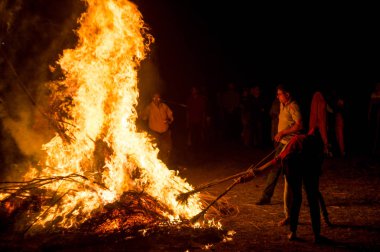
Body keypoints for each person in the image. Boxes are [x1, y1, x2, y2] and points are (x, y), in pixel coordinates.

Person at [240, 128, 330, 243]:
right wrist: (252, 174)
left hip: (293, 163)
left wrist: (255, 173)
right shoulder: (318, 145)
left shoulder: (296, 140)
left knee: (297, 198)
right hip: (300, 163)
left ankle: (293, 232)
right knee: (312, 198)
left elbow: (276, 161)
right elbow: (317, 171)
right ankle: (317, 236)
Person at [256, 84, 303, 226]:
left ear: (287, 94)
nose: (278, 96)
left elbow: (299, 125)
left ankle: (289, 212)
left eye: (280, 94)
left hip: (290, 145)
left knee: (286, 176)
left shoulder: (293, 106)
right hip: (282, 143)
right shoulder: (282, 104)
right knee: (275, 170)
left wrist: (283, 132)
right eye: (277, 94)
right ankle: (266, 196)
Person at [141, 92, 174, 165]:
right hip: (154, 132)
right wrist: (143, 115)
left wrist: (169, 120)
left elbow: (171, 116)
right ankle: (156, 166)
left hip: (165, 133)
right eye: (154, 98)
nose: (156, 99)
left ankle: (165, 167)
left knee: (166, 150)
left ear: (160, 99)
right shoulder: (149, 107)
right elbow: (144, 117)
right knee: (155, 151)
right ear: (152, 98)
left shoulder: (164, 106)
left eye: (158, 98)